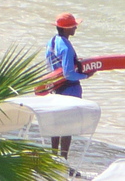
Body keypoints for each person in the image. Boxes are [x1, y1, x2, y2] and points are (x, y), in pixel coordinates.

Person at [46, 13, 83, 158]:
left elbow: (55, 64)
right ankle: (64, 161)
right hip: (70, 89)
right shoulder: (66, 47)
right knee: (67, 127)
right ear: (67, 29)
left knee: (56, 125)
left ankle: (53, 158)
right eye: (74, 26)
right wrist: (85, 75)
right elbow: (69, 74)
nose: (76, 28)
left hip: (55, 87)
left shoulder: (53, 41)